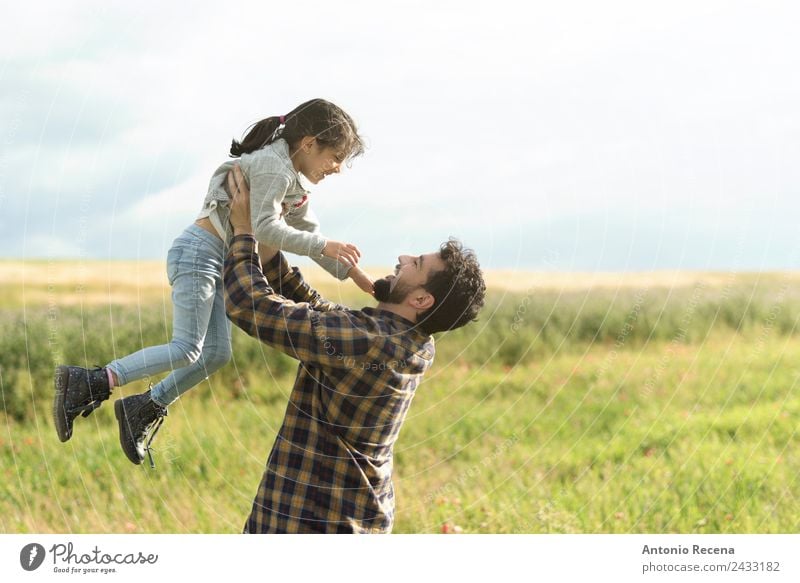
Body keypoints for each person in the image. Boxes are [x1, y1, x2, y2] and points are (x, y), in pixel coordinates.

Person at [53, 98, 371, 467]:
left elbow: (310, 234)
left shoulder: (289, 181)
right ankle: (91, 381)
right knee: (188, 348)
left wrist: (361, 279)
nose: (338, 168)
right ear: (309, 143)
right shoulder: (273, 166)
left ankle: (143, 407)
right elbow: (267, 228)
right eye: (336, 157)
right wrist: (324, 244)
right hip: (199, 253)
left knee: (216, 353)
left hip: (216, 262)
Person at [223, 164, 487, 533]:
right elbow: (321, 313)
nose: (403, 257)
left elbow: (247, 306)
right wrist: (269, 242)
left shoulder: (371, 341)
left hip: (313, 524)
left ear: (422, 299)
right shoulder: (411, 341)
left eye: (417, 264)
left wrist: (243, 231)